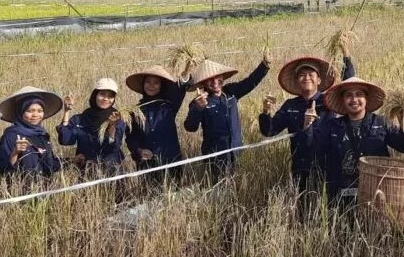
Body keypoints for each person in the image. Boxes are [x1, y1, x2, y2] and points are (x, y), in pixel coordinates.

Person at [258, 50, 355, 192]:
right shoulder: (290, 106)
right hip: (300, 168)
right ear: (297, 81)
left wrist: (346, 57)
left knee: (327, 207)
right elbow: (269, 130)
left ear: (319, 80)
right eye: (302, 75)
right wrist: (266, 112)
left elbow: (349, 87)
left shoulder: (329, 101)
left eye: (311, 74)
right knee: (303, 209)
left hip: (328, 168)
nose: (306, 78)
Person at [311, 77, 404, 205]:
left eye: (359, 94)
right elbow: (315, 149)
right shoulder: (332, 126)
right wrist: (308, 126)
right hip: (341, 197)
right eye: (348, 95)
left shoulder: (381, 123)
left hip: (376, 194)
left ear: (366, 99)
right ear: (343, 100)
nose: (354, 99)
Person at [184, 53, 270, 183]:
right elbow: (190, 127)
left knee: (237, 184)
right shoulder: (199, 102)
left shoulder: (231, 92)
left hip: (236, 151)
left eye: (217, 77)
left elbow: (249, 82)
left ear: (222, 76)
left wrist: (264, 65)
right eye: (209, 79)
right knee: (219, 187)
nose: (215, 82)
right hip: (215, 156)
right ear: (203, 83)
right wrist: (198, 108)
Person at [124, 65, 191, 183]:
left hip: (171, 162)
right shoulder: (135, 111)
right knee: (149, 198)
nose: (151, 85)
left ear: (162, 86)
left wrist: (186, 71)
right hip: (146, 165)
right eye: (148, 82)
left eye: (156, 83)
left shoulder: (169, 105)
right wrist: (139, 151)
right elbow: (131, 137)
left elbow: (180, 89)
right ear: (143, 84)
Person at [0, 86, 64, 184]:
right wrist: (15, 153)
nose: (35, 115)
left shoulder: (42, 135)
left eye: (39, 111)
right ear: (20, 111)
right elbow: (2, 169)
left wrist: (71, 161)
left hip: (46, 191)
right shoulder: (11, 136)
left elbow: (51, 164)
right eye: (30, 111)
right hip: (21, 193)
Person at [57, 78, 126, 176]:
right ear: (95, 95)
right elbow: (66, 140)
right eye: (102, 94)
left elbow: (114, 147)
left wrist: (112, 126)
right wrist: (67, 112)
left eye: (110, 96)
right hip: (86, 171)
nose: (105, 99)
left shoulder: (117, 119)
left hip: (112, 171)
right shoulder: (80, 119)